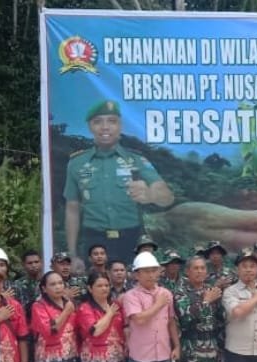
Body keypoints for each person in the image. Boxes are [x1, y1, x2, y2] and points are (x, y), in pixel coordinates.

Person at [65, 100, 175, 265]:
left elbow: (167, 197)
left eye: (112, 121)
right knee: (96, 281)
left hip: (131, 239)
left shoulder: (136, 160)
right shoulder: (77, 164)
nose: (105, 127)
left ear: (120, 126)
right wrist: (72, 254)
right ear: (90, 126)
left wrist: (151, 195)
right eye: (98, 122)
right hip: (94, 241)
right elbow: (72, 209)